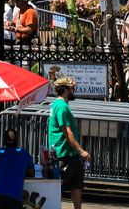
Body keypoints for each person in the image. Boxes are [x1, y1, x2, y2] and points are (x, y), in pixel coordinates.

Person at [48, 77, 90, 209]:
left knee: (76, 186)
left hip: (70, 155)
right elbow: (67, 132)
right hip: (64, 155)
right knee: (58, 189)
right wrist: (81, 150)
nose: (74, 91)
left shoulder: (58, 105)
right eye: (73, 88)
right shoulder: (62, 107)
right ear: (65, 89)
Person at [0, 127, 34, 209]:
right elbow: (32, 173)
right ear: (17, 140)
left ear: (4, 141)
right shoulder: (24, 154)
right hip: (15, 197)